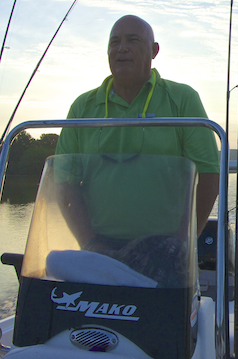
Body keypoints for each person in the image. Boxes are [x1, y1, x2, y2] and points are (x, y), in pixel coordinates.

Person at [55, 15, 219, 252]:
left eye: (133, 40)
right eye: (114, 42)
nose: (122, 48)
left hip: (165, 246)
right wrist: (89, 243)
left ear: (154, 51)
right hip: (98, 245)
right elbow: (63, 181)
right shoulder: (82, 107)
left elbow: (207, 175)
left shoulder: (183, 100)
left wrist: (182, 243)